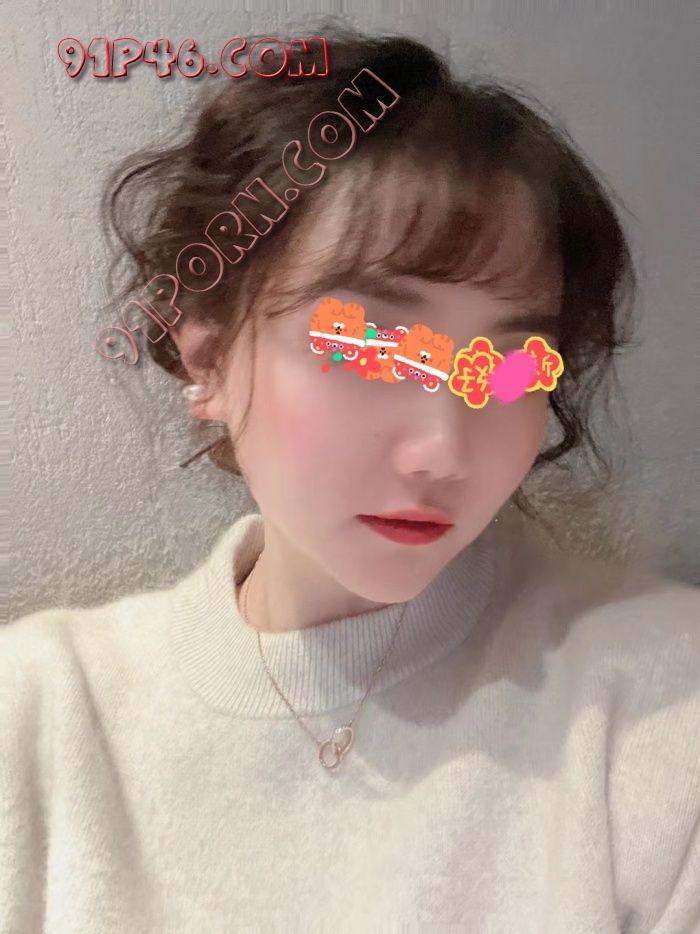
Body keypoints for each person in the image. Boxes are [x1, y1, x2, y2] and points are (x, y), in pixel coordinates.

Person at [2, 27, 698, 934]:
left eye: (510, 367)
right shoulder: (39, 711)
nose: (443, 449)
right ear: (206, 357)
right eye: (368, 348)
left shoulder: (662, 704)